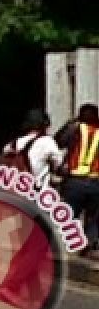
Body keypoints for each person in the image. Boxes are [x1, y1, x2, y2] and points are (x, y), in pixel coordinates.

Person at [59, 103, 99, 257]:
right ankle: (89, 242)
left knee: (71, 214)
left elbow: (59, 141)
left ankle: (74, 242)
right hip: (96, 181)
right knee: (94, 216)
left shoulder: (74, 129)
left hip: (75, 180)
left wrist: (70, 122)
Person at [0, 109, 63, 189]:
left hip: (14, 195)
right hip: (37, 194)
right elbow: (58, 164)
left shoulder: (12, 144)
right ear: (44, 125)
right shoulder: (47, 142)